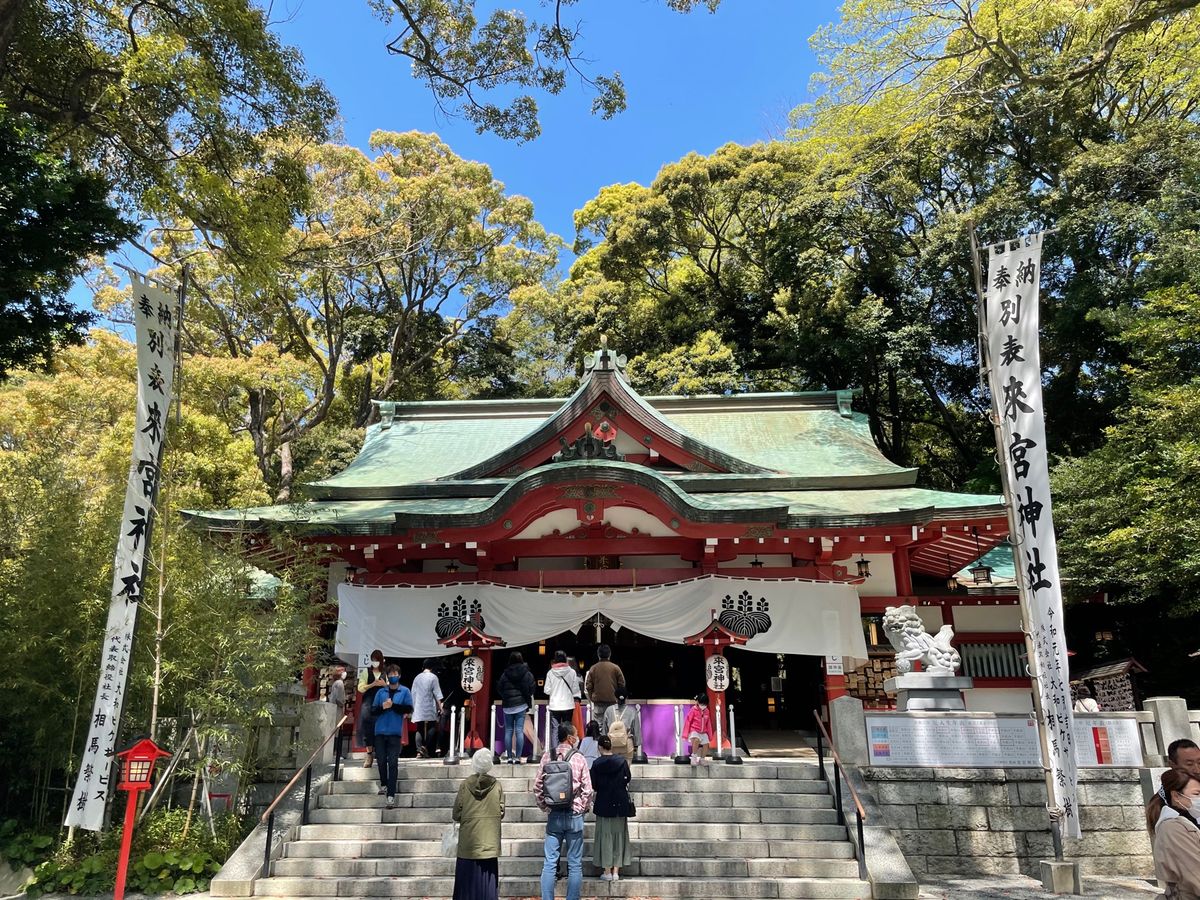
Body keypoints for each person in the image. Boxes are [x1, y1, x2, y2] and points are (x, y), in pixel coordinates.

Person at [534, 723, 594, 900]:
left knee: (550, 863)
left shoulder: (547, 756)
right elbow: (588, 789)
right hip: (574, 815)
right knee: (575, 864)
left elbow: (537, 786)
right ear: (570, 737)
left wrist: (545, 806)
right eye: (575, 735)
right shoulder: (579, 758)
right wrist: (582, 808)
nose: (577, 738)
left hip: (554, 815)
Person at [452, 748, 505, 900]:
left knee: (466, 887)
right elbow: (501, 811)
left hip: (468, 845)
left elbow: (456, 814)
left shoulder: (464, 785)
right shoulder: (497, 786)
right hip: (489, 844)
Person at [1146, 767, 1200, 898]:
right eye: (1197, 794)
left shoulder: (1190, 822)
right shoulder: (1173, 828)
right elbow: (1195, 876)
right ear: (1176, 795)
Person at [590, 735, 632, 882]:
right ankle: (616, 871)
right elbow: (628, 778)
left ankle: (606, 871)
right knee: (619, 836)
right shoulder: (622, 762)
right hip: (620, 803)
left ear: (599, 747)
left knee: (605, 836)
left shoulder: (596, 764)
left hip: (603, 802)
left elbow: (593, 785)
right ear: (611, 746)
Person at [372, 664, 414, 808]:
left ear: (399, 675)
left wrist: (393, 706)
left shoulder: (405, 691)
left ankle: (391, 795)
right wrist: (382, 707)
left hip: (395, 732)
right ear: (387, 676)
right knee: (381, 760)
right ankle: (383, 783)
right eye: (390, 674)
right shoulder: (380, 692)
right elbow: (373, 711)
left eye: (395, 673)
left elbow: (409, 708)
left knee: (393, 762)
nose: (393, 676)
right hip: (380, 731)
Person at [497, 651, 535, 763]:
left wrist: (506, 696)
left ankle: (509, 756)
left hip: (508, 706)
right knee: (519, 731)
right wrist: (526, 696)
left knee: (508, 731)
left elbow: (499, 688)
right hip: (521, 705)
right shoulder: (526, 673)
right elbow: (532, 687)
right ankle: (518, 757)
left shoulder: (505, 673)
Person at [584, 644, 625, 731]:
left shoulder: (593, 668)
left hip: (598, 703)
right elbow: (622, 685)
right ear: (609, 654)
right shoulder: (615, 668)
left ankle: (601, 744)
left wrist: (592, 697)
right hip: (613, 702)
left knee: (599, 728)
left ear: (598, 655)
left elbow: (588, 686)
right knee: (613, 727)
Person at [544, 651, 581, 744]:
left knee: (555, 729)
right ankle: (567, 751)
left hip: (555, 705)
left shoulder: (550, 673)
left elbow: (546, 690)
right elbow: (575, 689)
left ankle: (555, 754)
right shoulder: (572, 672)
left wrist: (554, 690)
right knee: (568, 729)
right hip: (568, 705)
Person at [358, 650, 387, 768]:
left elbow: (391, 688)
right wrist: (372, 684)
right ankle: (369, 754)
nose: (375, 662)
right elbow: (360, 688)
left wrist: (384, 685)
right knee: (367, 729)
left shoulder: (385, 673)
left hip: (381, 704)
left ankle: (381, 754)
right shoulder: (366, 672)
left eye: (377, 660)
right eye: (373, 660)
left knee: (381, 729)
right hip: (368, 703)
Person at [410, 659, 444, 758]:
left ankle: (419, 751)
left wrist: (412, 707)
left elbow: (413, 693)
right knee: (432, 727)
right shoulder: (434, 677)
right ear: (432, 668)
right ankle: (424, 748)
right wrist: (440, 707)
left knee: (419, 728)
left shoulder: (417, 677)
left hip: (418, 706)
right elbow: (437, 694)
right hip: (429, 706)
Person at [602, 692, 641, 763]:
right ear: (626, 698)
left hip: (611, 744)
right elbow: (636, 730)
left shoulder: (609, 710)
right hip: (627, 744)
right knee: (626, 769)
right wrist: (636, 745)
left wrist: (604, 743)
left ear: (615, 698)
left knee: (612, 768)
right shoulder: (632, 711)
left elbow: (604, 729)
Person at [681, 693, 715, 766]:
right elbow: (688, 721)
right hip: (694, 730)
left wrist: (710, 735)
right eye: (702, 704)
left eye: (705, 704)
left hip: (703, 731)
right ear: (698, 702)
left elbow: (708, 723)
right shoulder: (693, 710)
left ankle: (702, 759)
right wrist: (685, 734)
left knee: (706, 744)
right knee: (696, 740)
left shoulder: (707, 711)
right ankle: (694, 757)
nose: (703, 706)